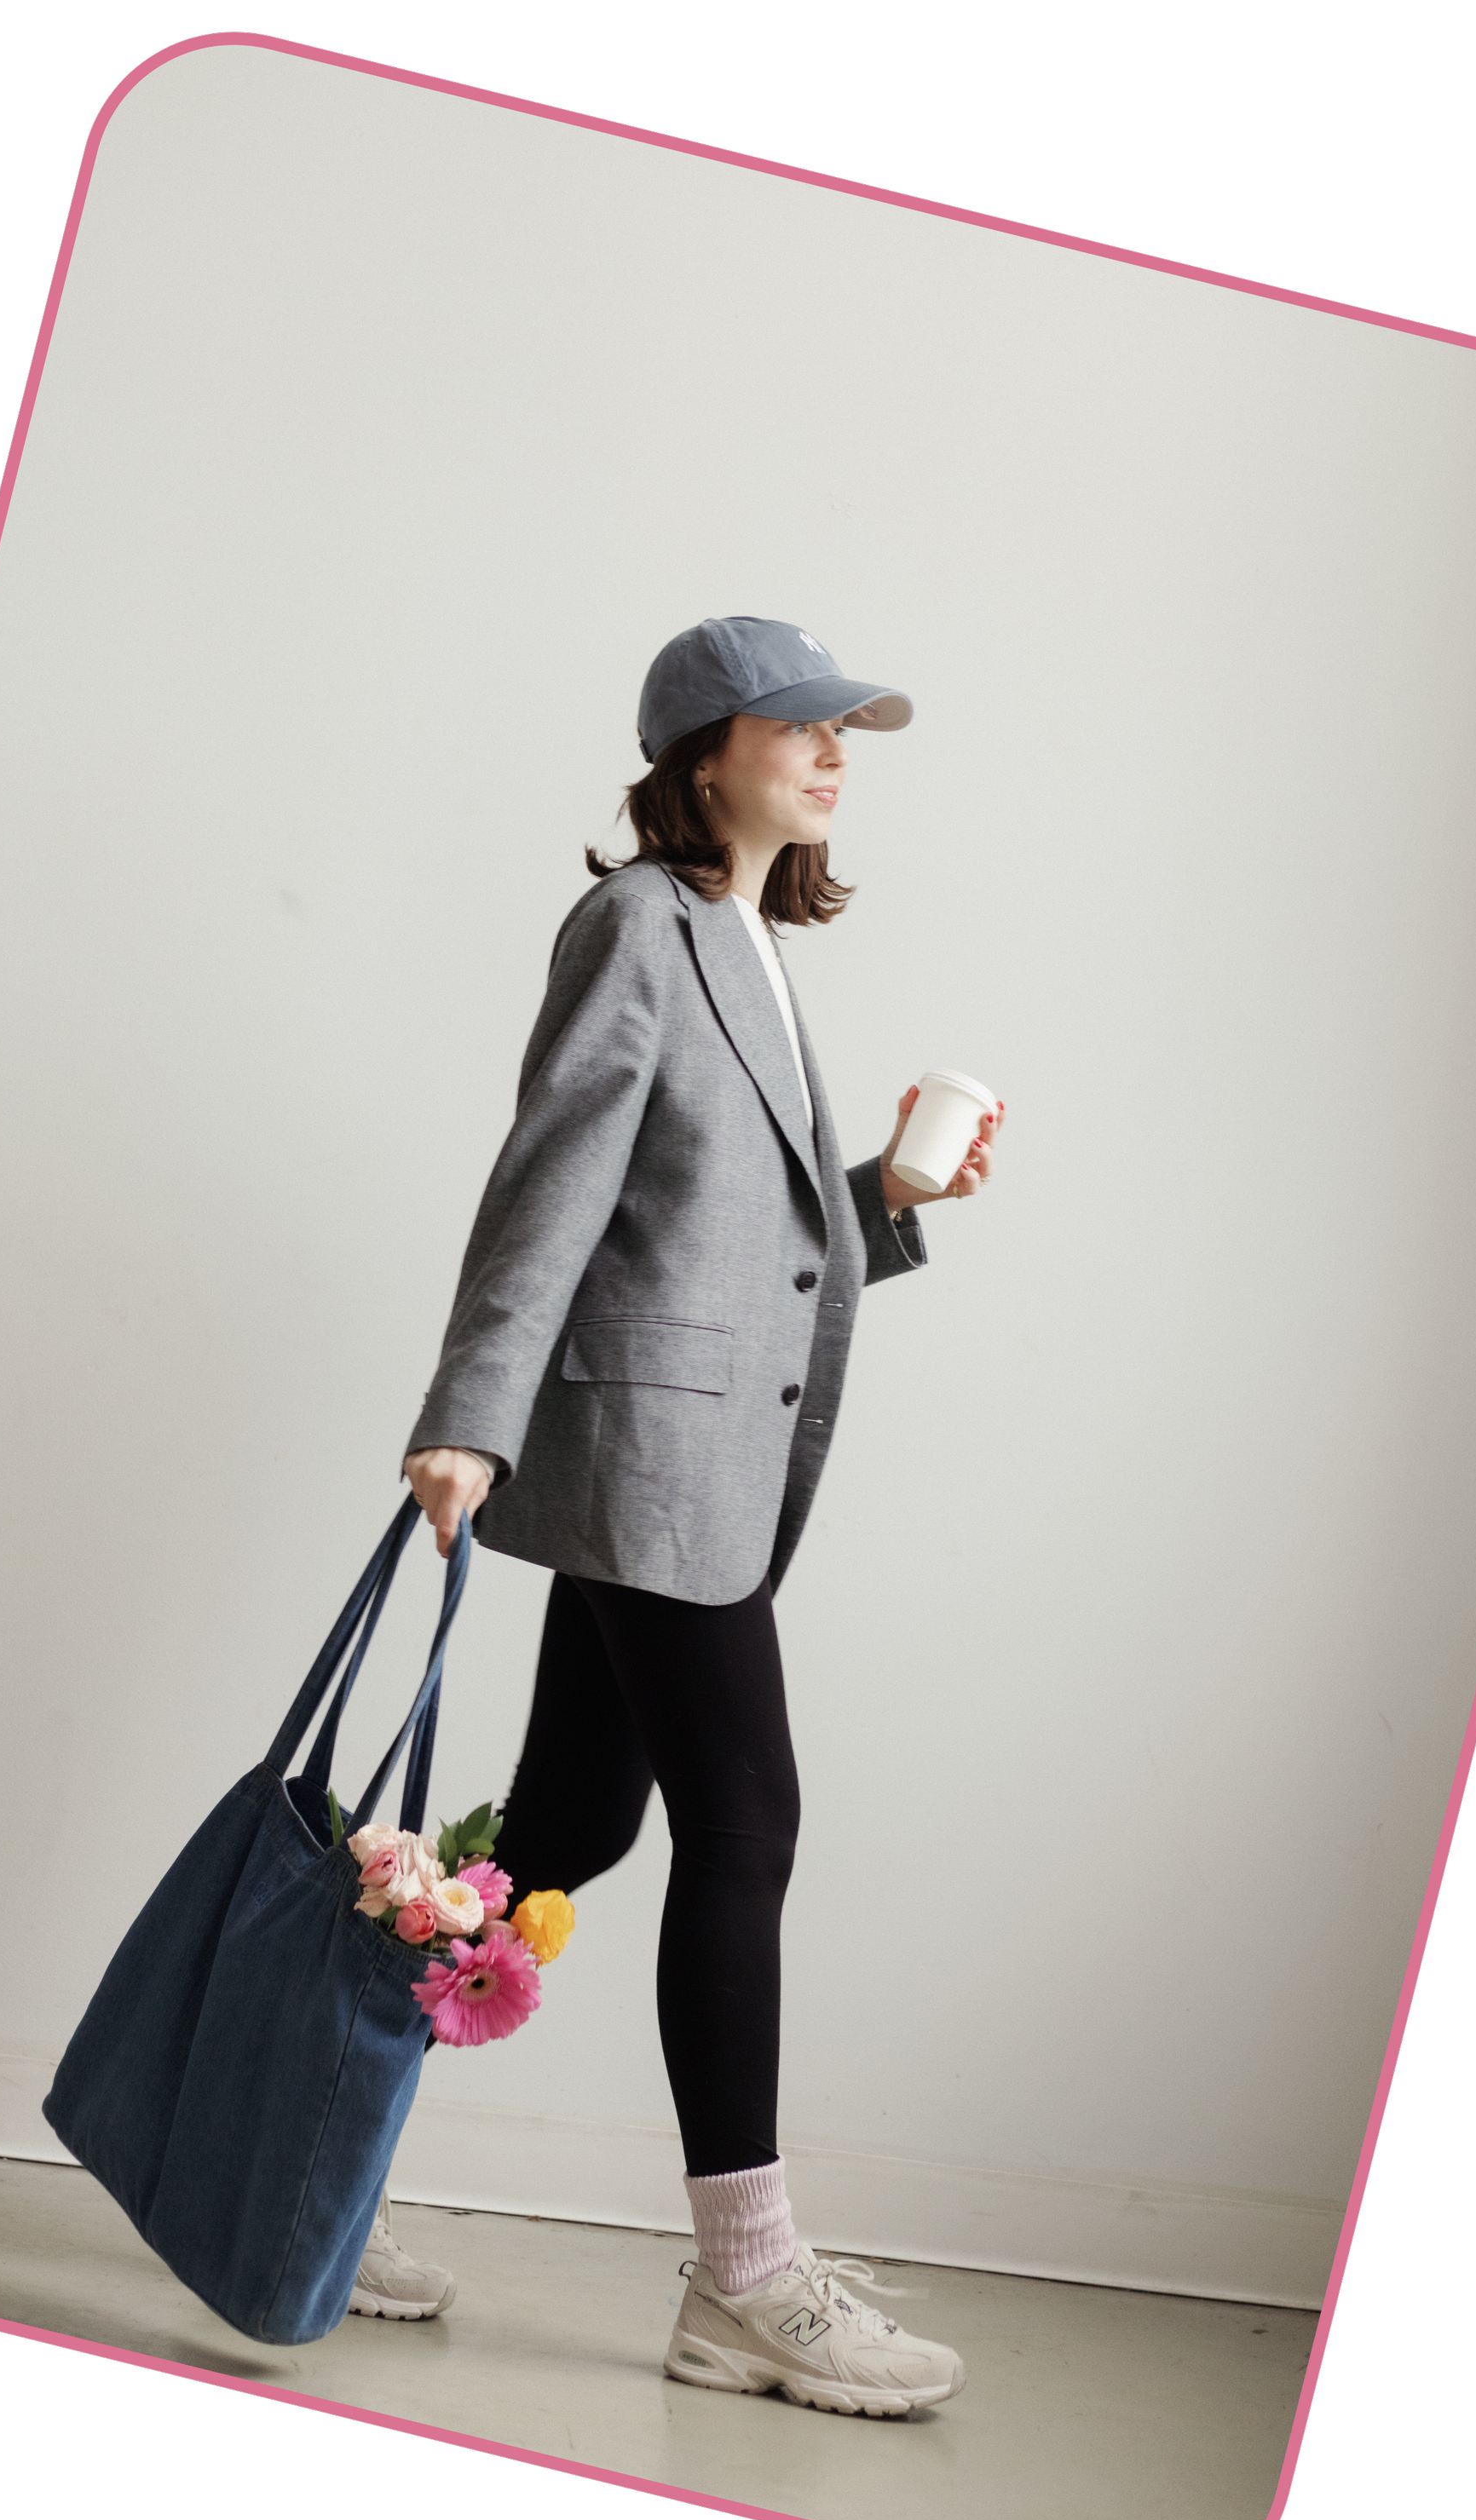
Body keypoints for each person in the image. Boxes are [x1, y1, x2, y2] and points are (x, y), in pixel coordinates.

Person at [358, 616, 1003, 2416]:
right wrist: (467, 1423)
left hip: (697, 1466)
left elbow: (744, 1252)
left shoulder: (753, 944)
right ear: (699, 752)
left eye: (844, 731)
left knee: (550, 1840)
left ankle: (289, 2125)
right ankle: (744, 2274)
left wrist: (886, 1190)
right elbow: (548, 1188)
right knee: (747, 1825)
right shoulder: (634, 925)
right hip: (641, 1465)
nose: (833, 752)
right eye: (799, 724)